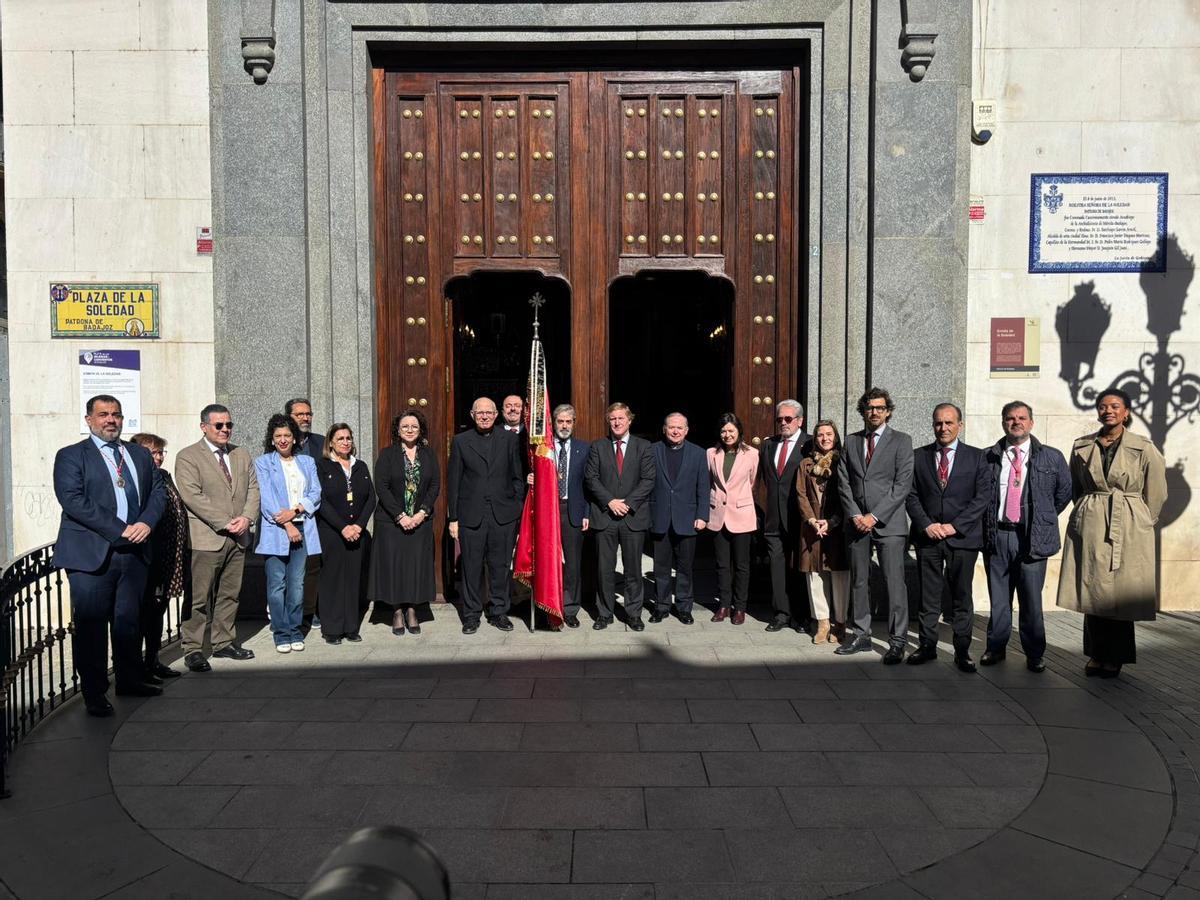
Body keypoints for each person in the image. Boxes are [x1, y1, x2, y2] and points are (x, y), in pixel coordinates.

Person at [53, 395, 166, 716]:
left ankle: (130, 680)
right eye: (103, 415)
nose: (110, 420)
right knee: (91, 627)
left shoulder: (138, 454)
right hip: (90, 555)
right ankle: (94, 693)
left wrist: (146, 522)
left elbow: (157, 491)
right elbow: (72, 500)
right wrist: (120, 529)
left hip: (133, 554)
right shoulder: (72, 456)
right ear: (89, 420)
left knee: (128, 621)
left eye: (116, 414)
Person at [1057, 389, 1166, 678]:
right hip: (1092, 521)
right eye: (1103, 406)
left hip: (1129, 524)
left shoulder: (1144, 448)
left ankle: (1115, 657)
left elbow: (1156, 493)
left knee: (1120, 594)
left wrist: (1142, 521)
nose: (1108, 411)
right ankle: (1095, 654)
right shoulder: (1082, 446)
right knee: (1094, 590)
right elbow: (1076, 487)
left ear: (1126, 412)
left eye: (1115, 406)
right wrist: (1085, 510)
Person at [981, 401, 1071, 673]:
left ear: (1031, 423)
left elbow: (1063, 493)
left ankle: (1034, 653)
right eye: (1010, 418)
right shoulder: (988, 456)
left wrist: (1040, 518)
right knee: (998, 598)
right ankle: (995, 648)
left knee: (1031, 600)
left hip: (1033, 537)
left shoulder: (1051, 457)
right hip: (998, 535)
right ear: (1003, 422)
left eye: (1022, 418)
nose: (1016, 422)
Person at [905, 404, 992, 673]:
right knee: (928, 596)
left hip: (962, 539)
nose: (943, 428)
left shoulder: (978, 458)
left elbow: (982, 498)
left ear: (960, 425)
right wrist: (927, 525)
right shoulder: (919, 456)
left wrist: (955, 526)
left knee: (961, 597)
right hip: (928, 538)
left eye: (948, 423)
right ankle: (928, 646)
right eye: (938, 423)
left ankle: (962, 650)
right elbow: (910, 494)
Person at [175, 404, 260, 672]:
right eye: (219, 425)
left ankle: (224, 642)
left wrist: (246, 518)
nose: (225, 430)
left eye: (229, 425)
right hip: (206, 538)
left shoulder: (241, 454)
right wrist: (225, 523)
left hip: (238, 537)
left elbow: (253, 489)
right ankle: (193, 648)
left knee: (229, 594)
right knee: (199, 598)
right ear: (204, 427)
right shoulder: (188, 456)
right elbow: (191, 496)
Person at [836, 387, 914, 662]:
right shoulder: (852, 441)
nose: (875, 412)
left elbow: (902, 485)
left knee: (895, 582)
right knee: (859, 580)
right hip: (857, 524)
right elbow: (843, 481)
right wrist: (856, 515)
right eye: (870, 408)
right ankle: (861, 634)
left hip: (888, 524)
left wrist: (875, 516)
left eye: (880, 407)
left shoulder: (902, 441)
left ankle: (897, 640)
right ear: (863, 411)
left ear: (888, 411)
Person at [447, 397, 526, 634]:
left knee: (500, 567)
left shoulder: (510, 440)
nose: (484, 416)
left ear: (496, 415)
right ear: (472, 415)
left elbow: (517, 476)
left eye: (488, 412)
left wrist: (516, 506)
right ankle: (471, 615)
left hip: (503, 515)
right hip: (471, 515)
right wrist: (453, 518)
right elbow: (454, 482)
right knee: (471, 567)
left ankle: (499, 611)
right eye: (479, 412)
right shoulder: (461, 441)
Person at [585, 402, 656, 630]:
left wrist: (628, 503)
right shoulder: (598, 446)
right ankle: (604, 613)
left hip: (632, 517)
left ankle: (633, 613)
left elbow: (648, 480)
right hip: (605, 516)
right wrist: (610, 501)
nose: (616, 422)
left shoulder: (643, 447)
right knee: (604, 569)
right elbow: (591, 478)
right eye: (613, 419)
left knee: (633, 568)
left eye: (620, 419)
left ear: (629, 421)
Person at [255, 413, 322, 652]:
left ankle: (295, 629)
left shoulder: (307, 463)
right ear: (272, 440)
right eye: (278, 436)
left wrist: (295, 511)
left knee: (297, 584)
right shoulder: (263, 463)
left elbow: (315, 492)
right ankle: (281, 633)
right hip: (276, 530)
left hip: (303, 527)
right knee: (276, 585)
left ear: (294, 439)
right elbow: (267, 499)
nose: (283, 440)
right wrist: (288, 524)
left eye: (287, 435)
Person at [372, 410, 441, 635]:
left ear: (420, 430)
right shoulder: (387, 454)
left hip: (420, 521)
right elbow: (381, 487)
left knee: (415, 567)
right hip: (392, 522)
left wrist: (422, 513)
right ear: (398, 430)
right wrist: (400, 516)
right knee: (394, 567)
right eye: (405, 426)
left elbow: (434, 486)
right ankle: (396, 611)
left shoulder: (429, 454)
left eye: (414, 426)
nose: (410, 430)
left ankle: (412, 609)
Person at [130, 433, 189, 681]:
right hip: (149, 557)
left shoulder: (164, 476)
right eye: (152, 453)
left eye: (160, 453)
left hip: (169, 556)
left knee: (158, 612)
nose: (158, 458)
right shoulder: (136, 480)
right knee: (144, 615)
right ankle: (137, 666)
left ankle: (153, 659)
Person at [316, 423, 377, 644]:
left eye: (348, 438)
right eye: (340, 438)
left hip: (357, 533)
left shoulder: (360, 466)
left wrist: (359, 525)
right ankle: (332, 629)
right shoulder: (322, 466)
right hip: (332, 532)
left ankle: (351, 626)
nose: (345, 442)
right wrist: (343, 527)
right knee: (332, 580)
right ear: (331, 442)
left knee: (353, 580)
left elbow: (371, 497)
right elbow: (320, 500)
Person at [647, 413, 708, 624]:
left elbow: (703, 486)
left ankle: (684, 607)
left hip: (688, 518)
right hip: (659, 517)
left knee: (685, 567)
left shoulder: (698, 453)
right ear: (664, 429)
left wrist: (702, 515)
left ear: (687, 430)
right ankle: (661, 606)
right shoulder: (652, 450)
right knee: (661, 567)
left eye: (679, 428)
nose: (675, 431)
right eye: (671, 427)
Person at [795, 420, 850, 645]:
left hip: (837, 529)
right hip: (812, 529)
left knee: (839, 576)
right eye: (820, 435)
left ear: (835, 437)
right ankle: (822, 623)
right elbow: (801, 494)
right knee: (815, 577)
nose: (824, 438)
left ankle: (840, 623)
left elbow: (849, 496)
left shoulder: (844, 463)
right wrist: (811, 520)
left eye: (829, 434)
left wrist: (832, 522)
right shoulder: (806, 464)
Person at [759, 399, 810, 632]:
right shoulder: (768, 445)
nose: (783, 423)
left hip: (798, 518)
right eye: (779, 419)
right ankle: (781, 614)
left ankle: (801, 616)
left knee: (798, 568)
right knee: (777, 568)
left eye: (788, 419)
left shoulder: (809, 444)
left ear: (799, 420)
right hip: (773, 519)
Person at [706, 413, 759, 625]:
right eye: (723, 431)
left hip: (742, 514)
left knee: (742, 565)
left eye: (731, 431)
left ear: (739, 432)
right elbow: (710, 480)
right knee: (721, 564)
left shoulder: (752, 454)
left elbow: (753, 481)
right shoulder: (711, 453)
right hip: (718, 513)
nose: (727, 435)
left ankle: (740, 607)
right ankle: (724, 605)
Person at [551, 403, 590, 629]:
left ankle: (571, 608)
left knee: (573, 563)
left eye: (568, 421)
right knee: (550, 561)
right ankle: (550, 605)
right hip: (550, 510)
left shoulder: (583, 448)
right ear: (554, 423)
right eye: (560, 421)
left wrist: (586, 512)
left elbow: (589, 484)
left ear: (574, 423)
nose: (564, 425)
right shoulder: (543, 448)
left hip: (573, 510)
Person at [287, 397, 324, 629]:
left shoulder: (321, 442)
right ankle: (290, 616)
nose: (305, 418)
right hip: (290, 517)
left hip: (318, 515)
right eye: (299, 414)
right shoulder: (281, 443)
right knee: (291, 571)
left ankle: (311, 611)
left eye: (308, 414)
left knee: (314, 567)